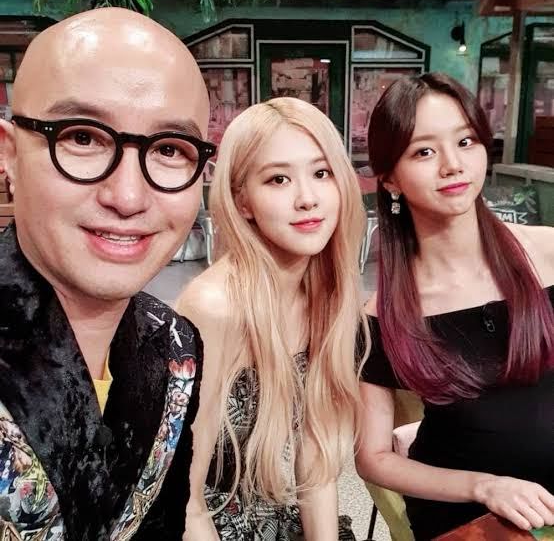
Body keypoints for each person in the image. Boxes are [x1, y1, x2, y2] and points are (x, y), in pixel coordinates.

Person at [0, 7, 214, 540]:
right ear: (9, 155)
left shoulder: (176, 345)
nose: (127, 196)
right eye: (82, 137)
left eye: (169, 149)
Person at [355, 72, 554, 540]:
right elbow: (373, 457)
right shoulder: (383, 314)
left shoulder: (548, 252)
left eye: (465, 141)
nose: (453, 165)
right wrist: (484, 486)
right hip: (470, 517)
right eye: (424, 152)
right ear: (390, 178)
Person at [175, 97, 369, 540]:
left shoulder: (328, 295)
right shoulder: (215, 307)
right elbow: (184, 498)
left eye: (322, 173)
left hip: (272, 514)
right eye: (278, 179)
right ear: (242, 200)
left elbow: (316, 464)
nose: (308, 198)